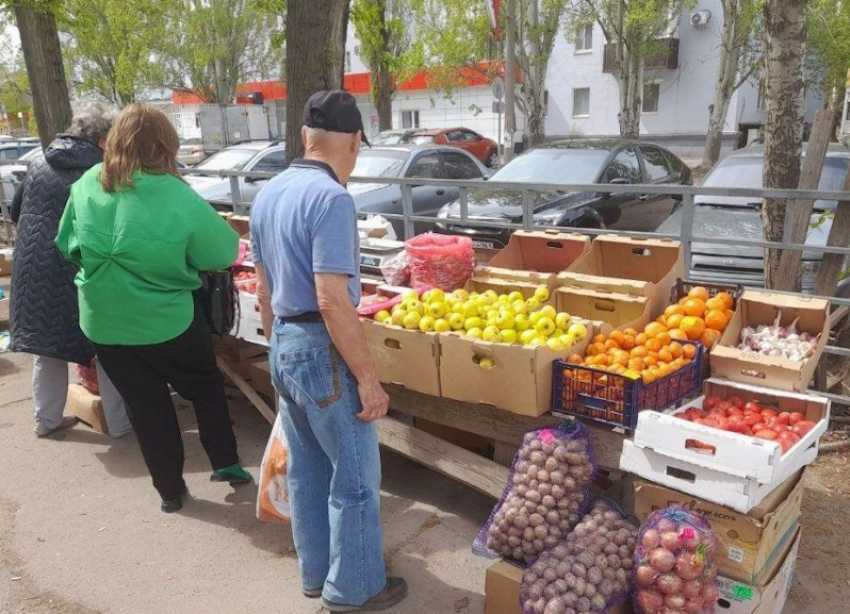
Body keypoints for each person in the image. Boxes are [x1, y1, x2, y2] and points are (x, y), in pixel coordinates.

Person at [250, 90, 407, 613]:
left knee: (309, 469)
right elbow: (332, 299)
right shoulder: (333, 199)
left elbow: (264, 288)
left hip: (285, 345)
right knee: (356, 478)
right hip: (320, 346)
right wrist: (367, 377)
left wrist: (277, 347)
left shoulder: (270, 192)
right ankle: (355, 588)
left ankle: (316, 574)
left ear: (305, 138)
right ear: (356, 143)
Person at [55, 103, 252, 513]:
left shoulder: (88, 182)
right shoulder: (173, 192)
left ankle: (169, 492)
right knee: (204, 386)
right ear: (166, 146)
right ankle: (226, 463)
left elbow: (67, 244)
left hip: (105, 320)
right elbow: (222, 251)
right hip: (167, 320)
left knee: (147, 408)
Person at [10, 103, 132, 439]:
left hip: (34, 268)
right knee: (107, 345)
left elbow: (15, 209)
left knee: (46, 349)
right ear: (105, 139)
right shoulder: (101, 170)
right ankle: (121, 424)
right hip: (80, 269)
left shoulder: (38, 162)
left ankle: (45, 420)